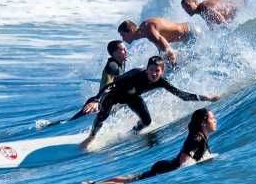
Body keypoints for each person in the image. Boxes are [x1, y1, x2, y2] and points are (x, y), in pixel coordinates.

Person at [79, 56, 219, 150]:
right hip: (113, 95)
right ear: (147, 69)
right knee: (103, 116)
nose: (153, 74)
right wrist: (97, 99)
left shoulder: (161, 81)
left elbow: (182, 95)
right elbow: (110, 85)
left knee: (147, 121)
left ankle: (131, 133)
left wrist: (206, 98)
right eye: (151, 70)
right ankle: (92, 136)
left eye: (157, 71)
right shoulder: (135, 74)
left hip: (132, 97)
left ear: (162, 71)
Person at [80, 108, 217, 184]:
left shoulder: (198, 136)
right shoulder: (197, 138)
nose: (215, 120)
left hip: (165, 166)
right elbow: (183, 162)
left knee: (131, 178)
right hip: (166, 169)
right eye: (212, 118)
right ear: (203, 123)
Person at [117, 18, 191, 64]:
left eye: (123, 35)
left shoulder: (148, 30)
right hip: (188, 36)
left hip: (192, 33)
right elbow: (163, 49)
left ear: (131, 31)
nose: (123, 39)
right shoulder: (145, 29)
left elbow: (169, 51)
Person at [181, 0, 246, 26]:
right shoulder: (202, 12)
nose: (186, 10)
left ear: (195, 2)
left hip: (243, 6)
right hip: (242, 7)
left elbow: (223, 22)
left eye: (188, 6)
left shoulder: (205, 7)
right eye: (184, 8)